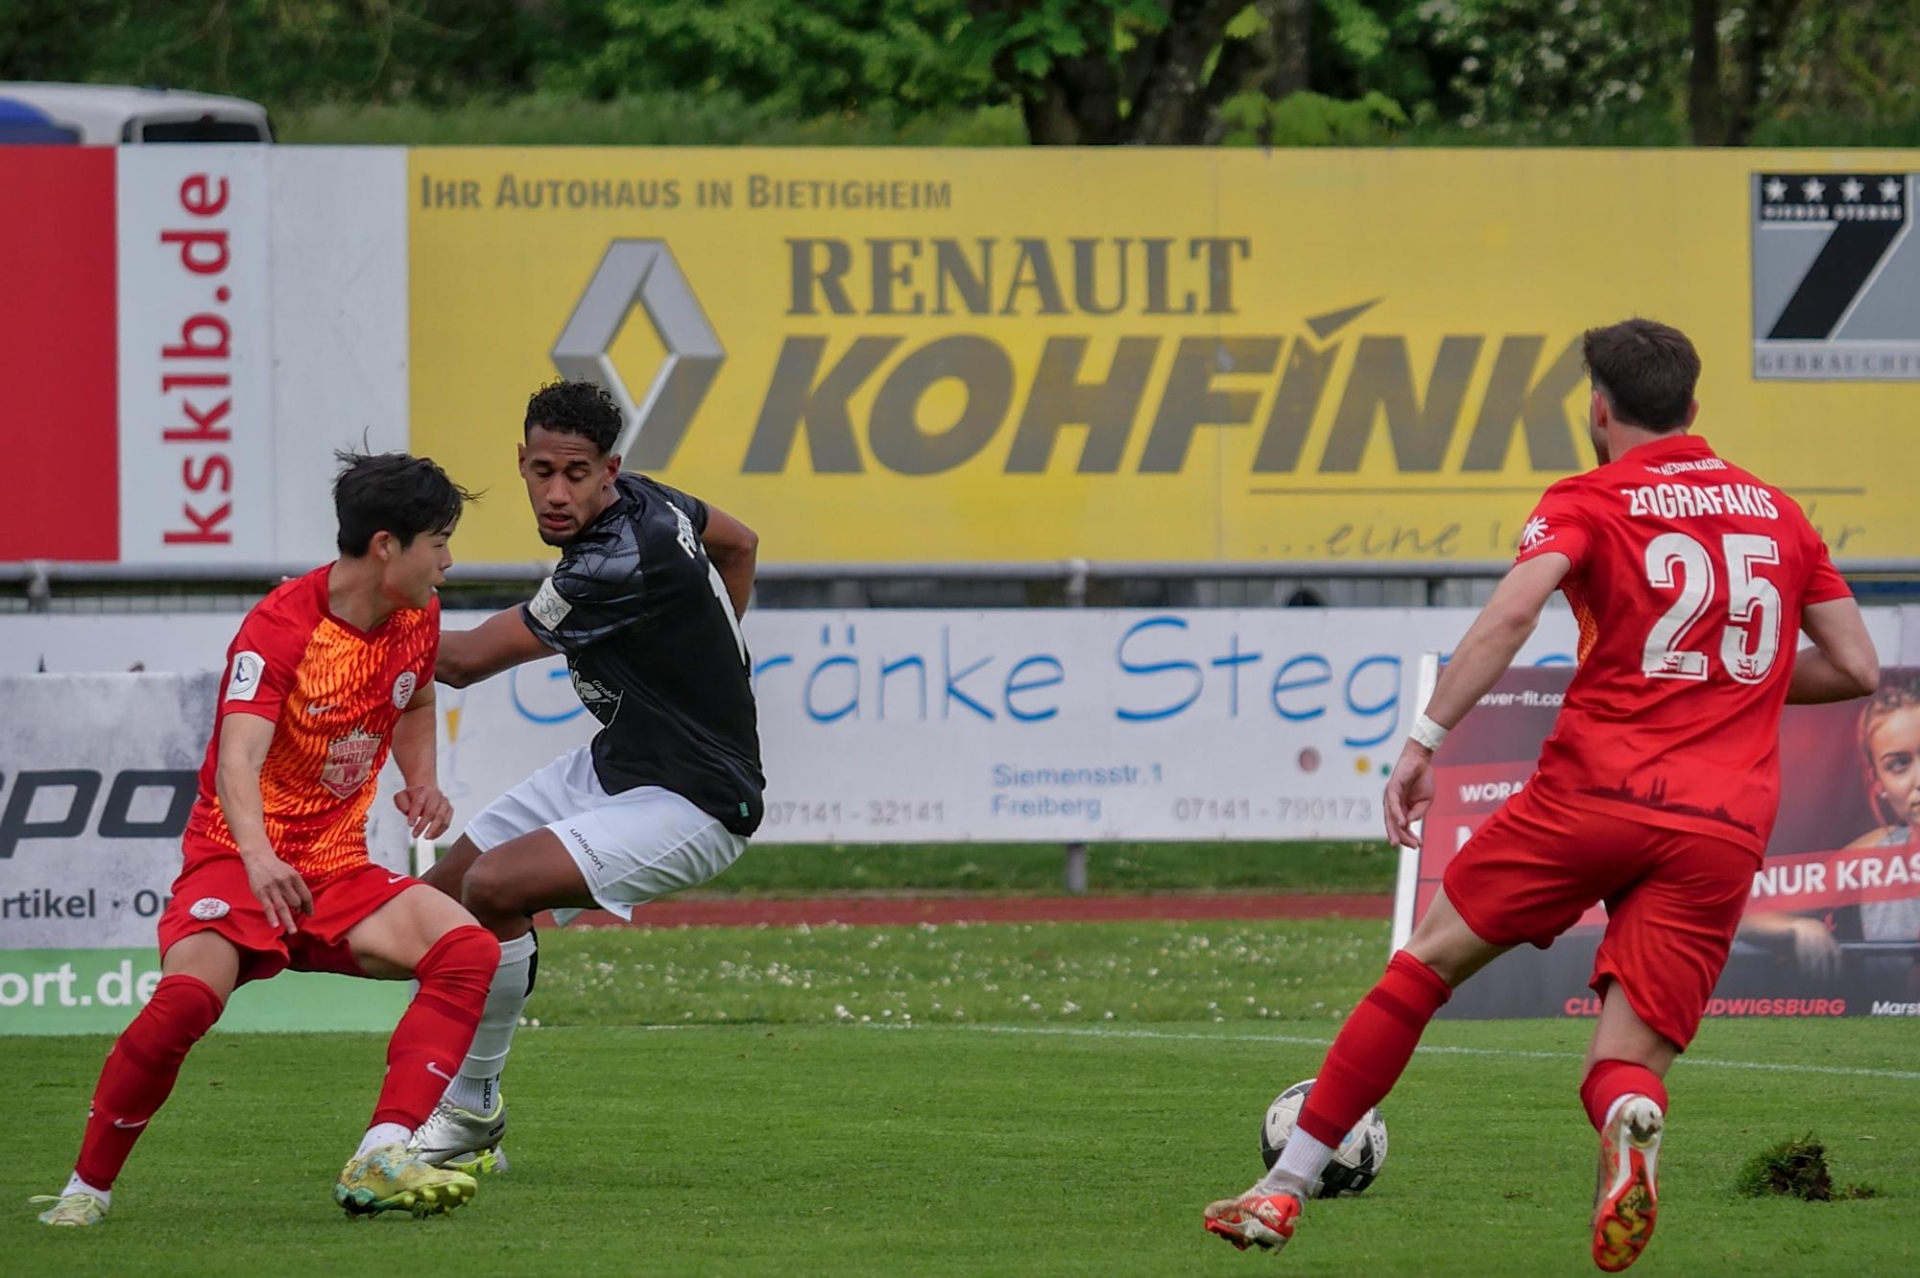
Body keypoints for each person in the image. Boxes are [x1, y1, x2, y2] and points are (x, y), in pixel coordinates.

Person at [1202, 319, 1881, 1271]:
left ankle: (1283, 1190)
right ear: (1693, 406)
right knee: (1621, 1065)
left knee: (1422, 971)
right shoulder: (1779, 513)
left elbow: (1515, 611)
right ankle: (1633, 1120)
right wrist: (1739, 681)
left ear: (1599, 407)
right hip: (1719, 827)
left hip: (1591, 798)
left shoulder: (1589, 498)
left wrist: (1423, 742)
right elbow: (1854, 664)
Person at [33, 452, 498, 1227]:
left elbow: (412, 701)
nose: (447, 561)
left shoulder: (418, 613)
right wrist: (257, 857)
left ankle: (382, 1151)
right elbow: (236, 758)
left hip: (337, 867)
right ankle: (86, 1192)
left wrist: (422, 778)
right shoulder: (281, 626)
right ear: (387, 546)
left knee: (468, 949)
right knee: (184, 1003)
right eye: (438, 542)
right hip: (238, 859)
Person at [406, 379, 763, 1173]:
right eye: (541, 471)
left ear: (611, 469)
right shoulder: (650, 499)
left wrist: (340, 614)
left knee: (496, 888)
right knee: (429, 915)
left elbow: (459, 665)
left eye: (575, 474)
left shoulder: (614, 561)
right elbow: (741, 544)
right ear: (523, 463)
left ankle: (469, 1112)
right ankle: (458, 1110)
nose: (556, 492)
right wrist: (708, 652)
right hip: (619, 763)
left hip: (698, 799)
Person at [1742, 677, 1920, 982]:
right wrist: (1795, 927)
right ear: (1880, 785)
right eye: (1899, 764)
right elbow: (1742, 914)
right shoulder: (1879, 851)